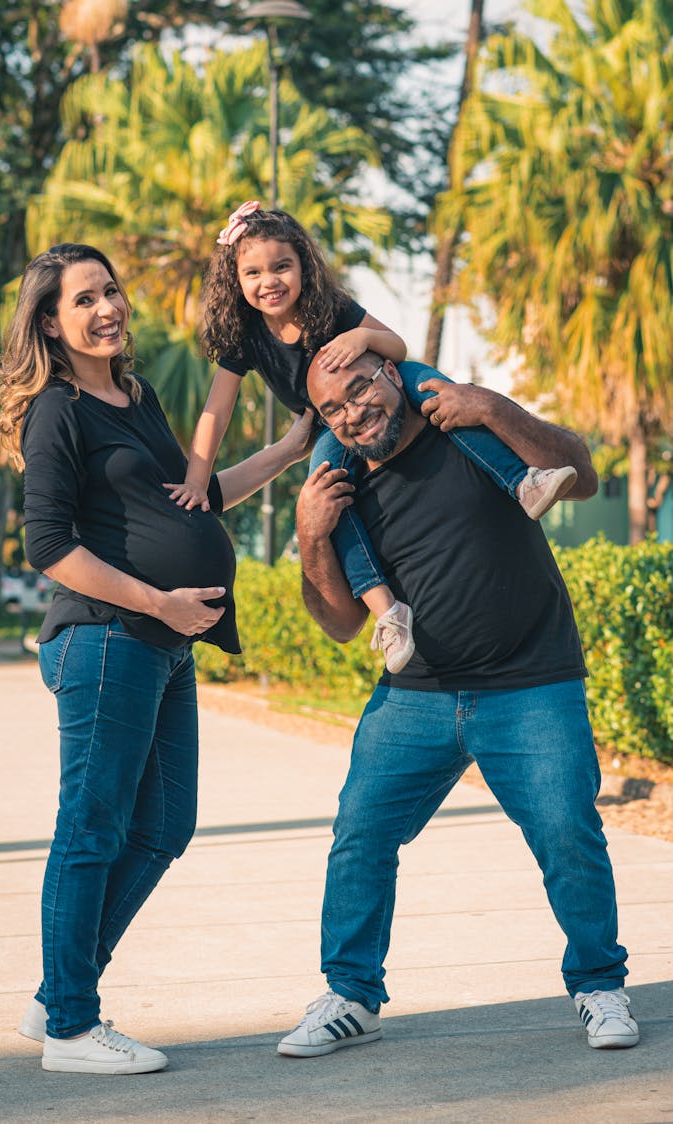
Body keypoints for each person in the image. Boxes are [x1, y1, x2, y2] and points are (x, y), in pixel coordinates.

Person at [0, 242, 312, 1075]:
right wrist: (158, 601)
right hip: (106, 638)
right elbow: (49, 546)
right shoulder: (59, 411)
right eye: (83, 300)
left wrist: (287, 449)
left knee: (165, 825)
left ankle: (59, 993)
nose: (106, 309)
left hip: (165, 648)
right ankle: (69, 1029)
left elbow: (194, 497)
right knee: (91, 830)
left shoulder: (137, 396)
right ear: (51, 325)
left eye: (110, 291)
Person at [277, 350, 640, 1058]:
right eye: (335, 409)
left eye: (362, 391)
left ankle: (599, 986)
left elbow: (583, 476)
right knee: (361, 834)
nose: (355, 414)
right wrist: (310, 532)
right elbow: (344, 624)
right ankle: (352, 996)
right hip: (415, 696)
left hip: (532, 682)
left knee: (569, 833)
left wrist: (493, 407)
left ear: (392, 375)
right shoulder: (342, 484)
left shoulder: (463, 425)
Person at [167, 201, 577, 676]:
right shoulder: (245, 335)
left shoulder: (330, 307)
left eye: (282, 266)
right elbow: (216, 412)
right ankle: (388, 612)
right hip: (330, 423)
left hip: (388, 379)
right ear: (235, 281)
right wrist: (197, 482)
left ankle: (522, 480)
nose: (270, 281)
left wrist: (361, 340)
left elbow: (397, 347)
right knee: (326, 493)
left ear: (302, 264)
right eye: (253, 272)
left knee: (444, 398)